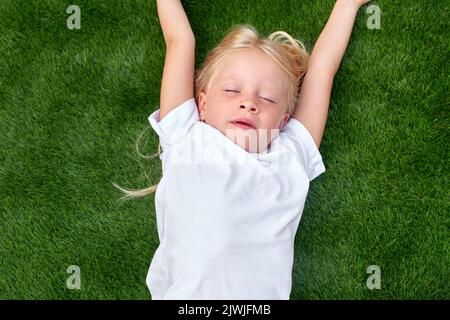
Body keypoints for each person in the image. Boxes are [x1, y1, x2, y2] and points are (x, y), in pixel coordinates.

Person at [114, 0, 370, 299]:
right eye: (232, 90)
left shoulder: (289, 157)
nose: (249, 103)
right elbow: (180, 39)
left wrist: (348, 5)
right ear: (203, 104)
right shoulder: (185, 134)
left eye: (268, 99)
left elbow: (323, 70)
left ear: (284, 120)